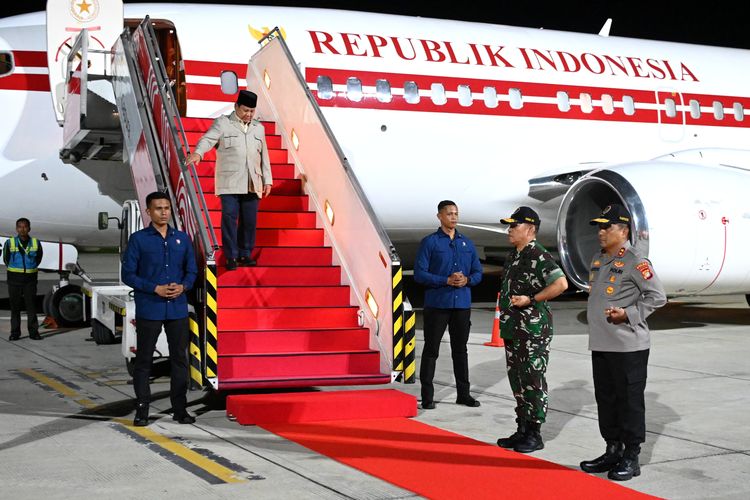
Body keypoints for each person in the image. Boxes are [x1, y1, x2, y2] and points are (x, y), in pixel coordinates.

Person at [579, 203, 666, 481]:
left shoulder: (636, 261)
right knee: (606, 400)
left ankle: (631, 455)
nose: (601, 232)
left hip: (628, 346)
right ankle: (612, 449)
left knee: (629, 401)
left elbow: (657, 297)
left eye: (607, 226)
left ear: (624, 230)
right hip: (602, 344)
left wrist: (627, 314)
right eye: (599, 227)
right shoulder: (598, 259)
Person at [121, 192, 198, 426]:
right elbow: (128, 274)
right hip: (150, 308)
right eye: (158, 208)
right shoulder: (138, 240)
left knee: (180, 360)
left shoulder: (182, 239)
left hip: (177, 309)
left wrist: (183, 286)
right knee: (144, 361)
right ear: (148, 212)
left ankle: (179, 409)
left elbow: (192, 271)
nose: (164, 212)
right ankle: (142, 410)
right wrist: (154, 288)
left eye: (166, 208)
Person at [495, 206, 568, 453]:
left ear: (531, 229)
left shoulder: (538, 255)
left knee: (532, 380)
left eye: (514, 226)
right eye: (510, 225)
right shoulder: (514, 255)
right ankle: (522, 428)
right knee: (517, 380)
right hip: (513, 329)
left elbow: (560, 284)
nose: (510, 230)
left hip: (533, 331)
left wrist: (533, 299)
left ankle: (535, 433)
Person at [185, 90, 272, 271]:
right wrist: (198, 153)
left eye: (252, 112)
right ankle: (231, 256)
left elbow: (264, 156)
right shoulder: (223, 123)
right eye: (245, 110)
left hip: (252, 181)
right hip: (230, 182)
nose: (248, 115)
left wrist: (267, 180)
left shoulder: (258, 128)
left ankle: (245, 254)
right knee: (229, 218)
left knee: (249, 220)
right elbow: (207, 139)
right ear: (236, 107)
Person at [414, 200, 483, 410]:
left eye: (456, 214)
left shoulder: (467, 243)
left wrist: (467, 280)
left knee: (460, 350)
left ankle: (464, 394)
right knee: (431, 350)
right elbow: (419, 274)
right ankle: (427, 396)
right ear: (440, 217)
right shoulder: (430, 242)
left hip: (461, 305)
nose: (453, 217)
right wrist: (445, 280)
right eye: (449, 214)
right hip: (438, 304)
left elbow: (478, 272)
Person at [3, 218, 43, 341]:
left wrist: (31, 267)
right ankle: (15, 332)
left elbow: (39, 258)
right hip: (14, 279)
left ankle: (33, 332)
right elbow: (6, 259)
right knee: (15, 307)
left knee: (31, 306)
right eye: (20, 227)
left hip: (30, 279)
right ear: (16, 229)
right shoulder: (10, 243)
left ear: (29, 229)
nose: (22, 229)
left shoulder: (36, 242)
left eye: (25, 227)